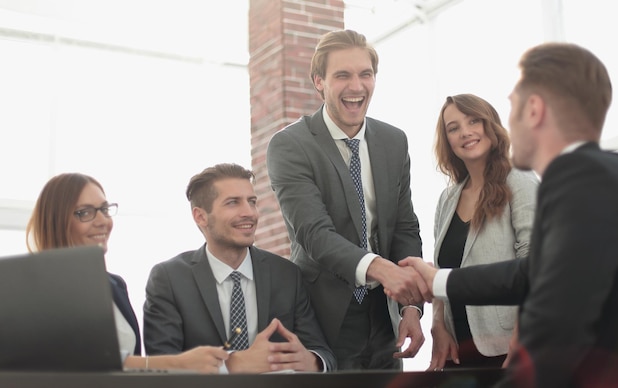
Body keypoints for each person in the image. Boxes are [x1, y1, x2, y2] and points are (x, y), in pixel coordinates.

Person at [397, 42, 618, 387]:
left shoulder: (578, 180)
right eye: (454, 127)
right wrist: (437, 283)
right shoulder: (602, 172)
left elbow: (558, 311)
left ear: (533, 110)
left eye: (512, 105)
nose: (467, 131)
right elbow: (533, 273)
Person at [266, 29, 424, 371]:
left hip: (385, 316)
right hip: (322, 318)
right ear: (318, 81)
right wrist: (383, 270)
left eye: (365, 74)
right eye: (342, 75)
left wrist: (411, 307)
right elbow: (314, 234)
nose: (356, 86)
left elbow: (405, 227)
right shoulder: (290, 146)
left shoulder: (394, 142)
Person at [25, 172, 229, 373]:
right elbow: (78, 361)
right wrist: (177, 363)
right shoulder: (34, 289)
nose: (102, 221)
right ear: (56, 221)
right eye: (85, 212)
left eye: (104, 209)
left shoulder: (114, 285)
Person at [143, 163, 336, 373]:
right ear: (201, 216)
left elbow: (323, 353)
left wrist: (313, 362)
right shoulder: (169, 279)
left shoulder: (287, 274)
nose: (249, 213)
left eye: (252, 202)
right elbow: (161, 367)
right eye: (233, 203)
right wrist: (233, 366)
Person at [430, 93, 539, 371]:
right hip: (458, 350)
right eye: (453, 128)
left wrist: (523, 336)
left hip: (508, 347)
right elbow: (441, 270)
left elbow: (536, 267)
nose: (465, 132)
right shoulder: (447, 199)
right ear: (448, 141)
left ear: (490, 125)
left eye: (473, 121)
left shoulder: (520, 182)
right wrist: (437, 326)